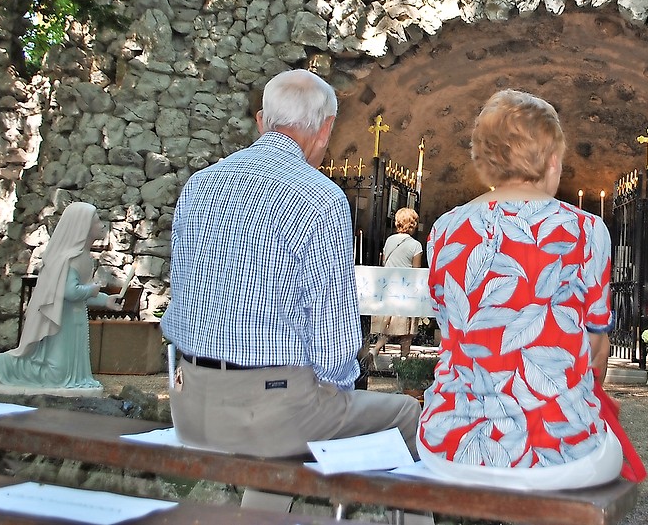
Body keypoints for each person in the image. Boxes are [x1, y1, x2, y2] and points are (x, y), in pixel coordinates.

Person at [160, 69, 421, 468]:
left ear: (262, 121)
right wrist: (333, 390)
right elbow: (334, 342)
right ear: (326, 128)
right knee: (405, 414)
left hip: (191, 404)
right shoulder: (320, 197)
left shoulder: (200, 184)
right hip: (274, 412)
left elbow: (180, 289)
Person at [417, 89, 623, 490]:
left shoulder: (444, 231)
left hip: (451, 446)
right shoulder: (586, 231)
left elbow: (450, 336)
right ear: (551, 161)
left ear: (486, 162)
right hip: (556, 450)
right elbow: (597, 352)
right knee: (611, 447)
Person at [0, 201, 121, 393]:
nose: (102, 225)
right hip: (60, 323)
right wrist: (93, 290)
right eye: (97, 221)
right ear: (83, 227)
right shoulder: (68, 259)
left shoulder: (84, 258)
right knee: (57, 372)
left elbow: (79, 295)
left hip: (74, 321)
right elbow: (70, 292)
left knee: (67, 369)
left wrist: (105, 300)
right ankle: (4, 366)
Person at [369, 207, 424, 366]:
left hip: (388, 289)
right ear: (413, 224)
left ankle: (376, 349)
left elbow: (385, 262)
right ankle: (403, 362)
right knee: (406, 330)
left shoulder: (389, 240)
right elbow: (416, 271)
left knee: (389, 324)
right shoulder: (415, 246)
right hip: (405, 291)